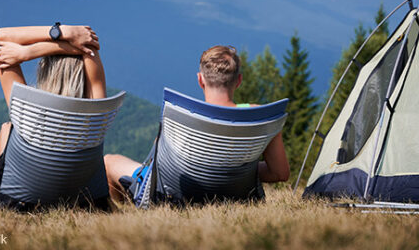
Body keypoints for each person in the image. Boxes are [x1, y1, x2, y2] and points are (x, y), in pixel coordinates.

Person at [104, 45, 290, 202]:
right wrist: (236, 170)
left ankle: (128, 213)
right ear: (239, 81)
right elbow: (279, 173)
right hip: (237, 196)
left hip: (176, 199)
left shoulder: (178, 117)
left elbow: (157, 165)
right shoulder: (261, 117)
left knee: (109, 161)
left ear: (200, 80)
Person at [0, 23, 106, 164]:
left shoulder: (25, 111)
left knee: (7, 128)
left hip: (27, 184)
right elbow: (90, 48)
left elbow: (2, 38)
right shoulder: (97, 111)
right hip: (81, 183)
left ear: (44, 70)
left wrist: (29, 52)